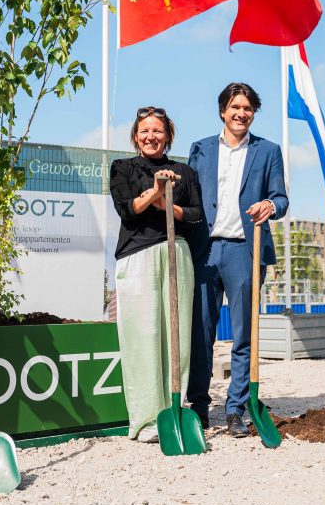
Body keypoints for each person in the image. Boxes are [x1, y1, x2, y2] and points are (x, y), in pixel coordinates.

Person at [187, 83, 288, 437]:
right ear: (222, 111)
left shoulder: (268, 151)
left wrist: (270, 206)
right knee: (201, 333)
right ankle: (198, 408)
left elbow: (281, 198)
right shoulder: (199, 149)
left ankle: (235, 409)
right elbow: (190, 198)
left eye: (247, 108)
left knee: (245, 334)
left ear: (253, 112)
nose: (241, 113)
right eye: (235, 107)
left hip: (246, 250)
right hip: (207, 250)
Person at [109, 107, 204, 443]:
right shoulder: (122, 168)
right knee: (142, 337)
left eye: (158, 131)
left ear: (168, 136)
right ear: (136, 136)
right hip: (138, 255)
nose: (151, 136)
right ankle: (147, 418)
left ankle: (173, 409)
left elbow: (195, 217)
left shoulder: (185, 172)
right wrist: (155, 191)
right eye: (145, 131)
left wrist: (169, 207)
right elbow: (127, 210)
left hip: (176, 252)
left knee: (176, 338)